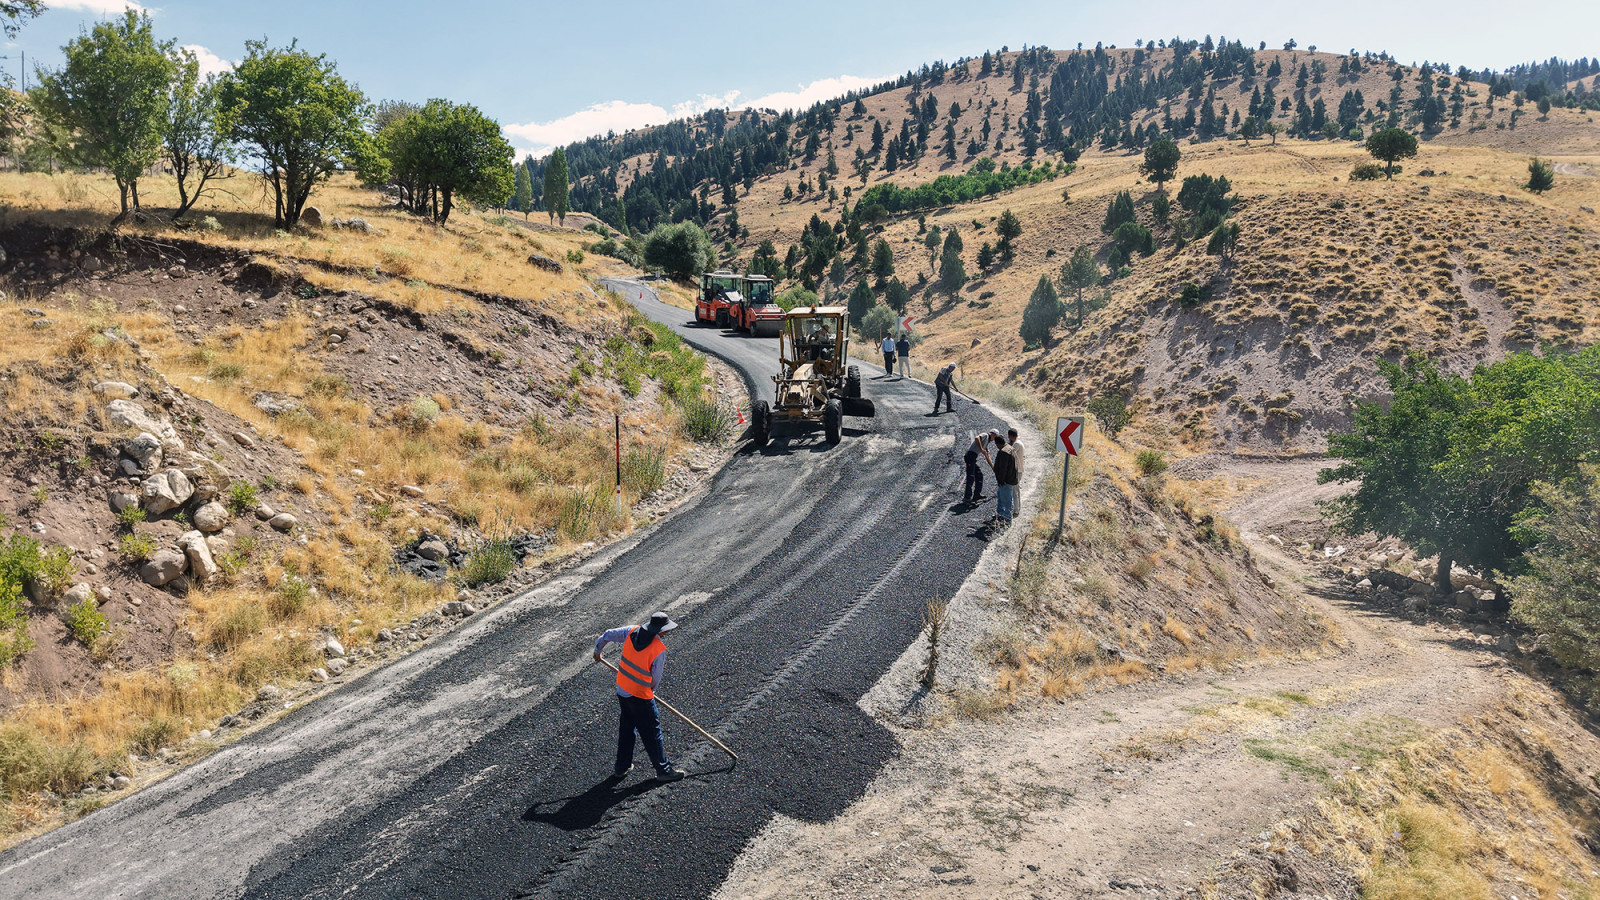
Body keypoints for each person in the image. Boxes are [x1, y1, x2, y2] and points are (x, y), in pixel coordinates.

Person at [594, 612, 686, 782]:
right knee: (652, 732)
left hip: (622, 690)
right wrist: (649, 693)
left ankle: (621, 767)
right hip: (641, 696)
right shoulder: (658, 649)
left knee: (627, 728)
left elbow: (606, 635)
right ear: (660, 631)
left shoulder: (630, 631)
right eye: (666, 630)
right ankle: (664, 771)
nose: (667, 633)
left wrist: (597, 652)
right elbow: (655, 680)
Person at [964, 429, 998, 503]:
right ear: (993, 434)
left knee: (979, 475)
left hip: (973, 458)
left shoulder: (986, 443)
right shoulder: (985, 435)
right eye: (994, 437)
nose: (994, 439)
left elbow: (987, 456)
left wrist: (993, 468)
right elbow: (977, 438)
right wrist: (981, 449)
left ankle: (977, 495)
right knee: (971, 477)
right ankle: (967, 498)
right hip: (970, 456)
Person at [993, 432, 1019, 525]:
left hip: (1006, 481)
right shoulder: (1009, 448)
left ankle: (1007, 519)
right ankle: (1000, 514)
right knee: (1001, 496)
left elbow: (1003, 468)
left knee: (1007, 499)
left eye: (996, 444)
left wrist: (1001, 480)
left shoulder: (1004, 452)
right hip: (1011, 478)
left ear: (998, 443)